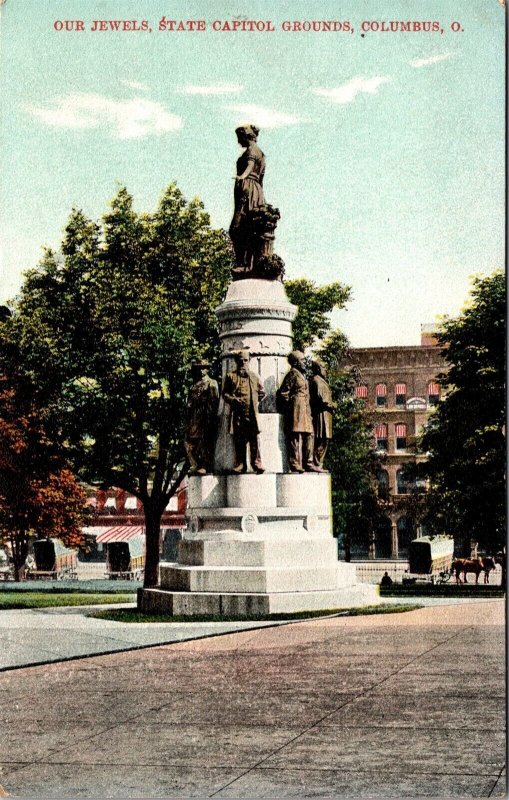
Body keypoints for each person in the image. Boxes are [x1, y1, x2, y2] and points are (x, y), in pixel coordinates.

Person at [222, 350, 265, 474]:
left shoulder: (254, 376)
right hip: (238, 413)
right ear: (236, 361)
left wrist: (254, 401)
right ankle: (241, 464)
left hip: (251, 413)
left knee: (254, 439)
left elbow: (262, 392)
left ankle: (257, 463)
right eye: (240, 360)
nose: (243, 362)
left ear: (249, 361)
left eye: (245, 360)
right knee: (239, 439)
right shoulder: (231, 376)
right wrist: (234, 400)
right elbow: (224, 394)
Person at [229, 124, 266, 268]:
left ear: (246, 136)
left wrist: (241, 177)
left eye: (239, 138)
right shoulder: (261, 154)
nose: (238, 142)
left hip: (247, 188)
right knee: (250, 227)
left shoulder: (252, 150)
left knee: (237, 228)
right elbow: (261, 176)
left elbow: (250, 165)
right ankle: (247, 263)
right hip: (256, 190)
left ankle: (241, 262)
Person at [277, 351, 320, 473]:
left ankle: (308, 462)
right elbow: (283, 393)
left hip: (305, 410)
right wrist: (291, 406)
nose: (304, 363)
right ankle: (295, 463)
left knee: (309, 435)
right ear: (295, 362)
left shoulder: (301, 375)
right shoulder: (292, 375)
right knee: (295, 437)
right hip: (296, 410)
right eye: (302, 360)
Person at [185, 360, 219, 475]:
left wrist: (210, 418)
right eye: (198, 368)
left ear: (207, 369)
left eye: (203, 368)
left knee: (204, 441)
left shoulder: (211, 383)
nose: (201, 370)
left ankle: (205, 465)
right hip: (194, 417)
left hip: (205, 416)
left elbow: (214, 402)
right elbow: (189, 402)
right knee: (191, 441)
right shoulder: (194, 385)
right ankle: (196, 463)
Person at [309, 359, 336, 472]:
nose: (326, 370)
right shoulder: (316, 380)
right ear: (319, 368)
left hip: (326, 414)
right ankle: (316, 463)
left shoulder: (322, 381)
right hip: (321, 414)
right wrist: (332, 404)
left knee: (325, 439)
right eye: (324, 368)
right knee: (321, 438)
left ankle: (319, 463)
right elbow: (322, 398)